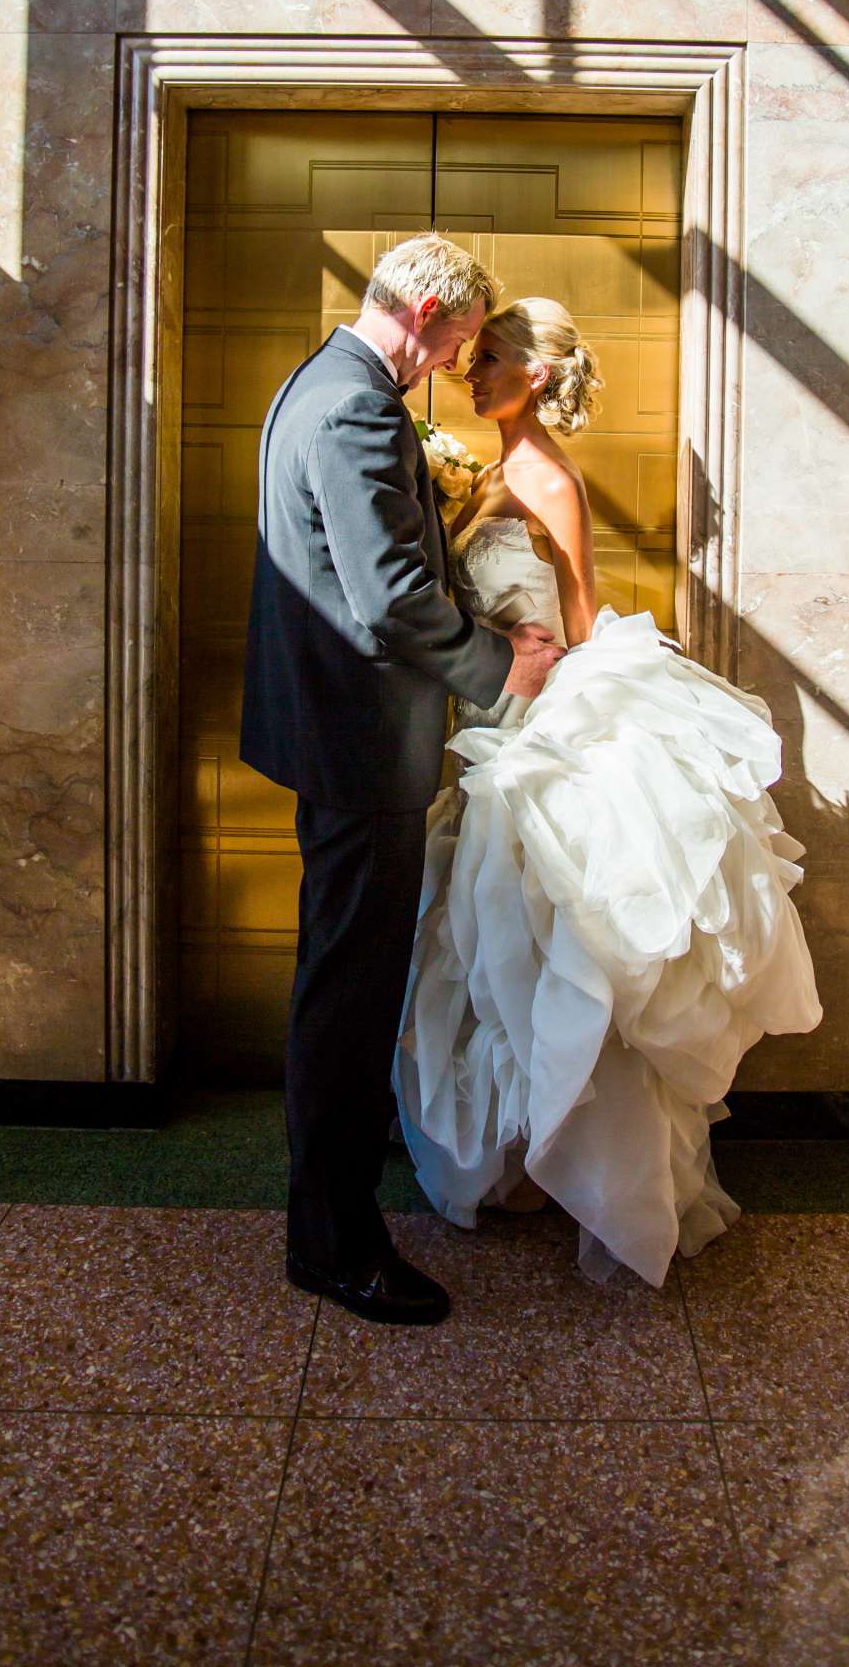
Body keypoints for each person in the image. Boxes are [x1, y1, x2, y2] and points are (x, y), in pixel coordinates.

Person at [393, 297, 822, 1286]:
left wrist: (565, 714)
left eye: (490, 358)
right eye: (473, 356)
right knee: (492, 938)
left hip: (530, 720)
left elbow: (579, 617)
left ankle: (555, 1153)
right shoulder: (494, 469)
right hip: (489, 716)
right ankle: (520, 1149)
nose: (471, 371)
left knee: (532, 937)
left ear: (534, 375)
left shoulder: (543, 474)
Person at [241, 236, 562, 1327]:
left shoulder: (316, 381)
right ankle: (333, 1242)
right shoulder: (358, 407)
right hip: (358, 743)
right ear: (426, 309)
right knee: (347, 989)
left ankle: (330, 1210)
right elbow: (388, 595)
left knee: (343, 976)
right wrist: (497, 662)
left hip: (334, 733)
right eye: (461, 339)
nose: (456, 360)